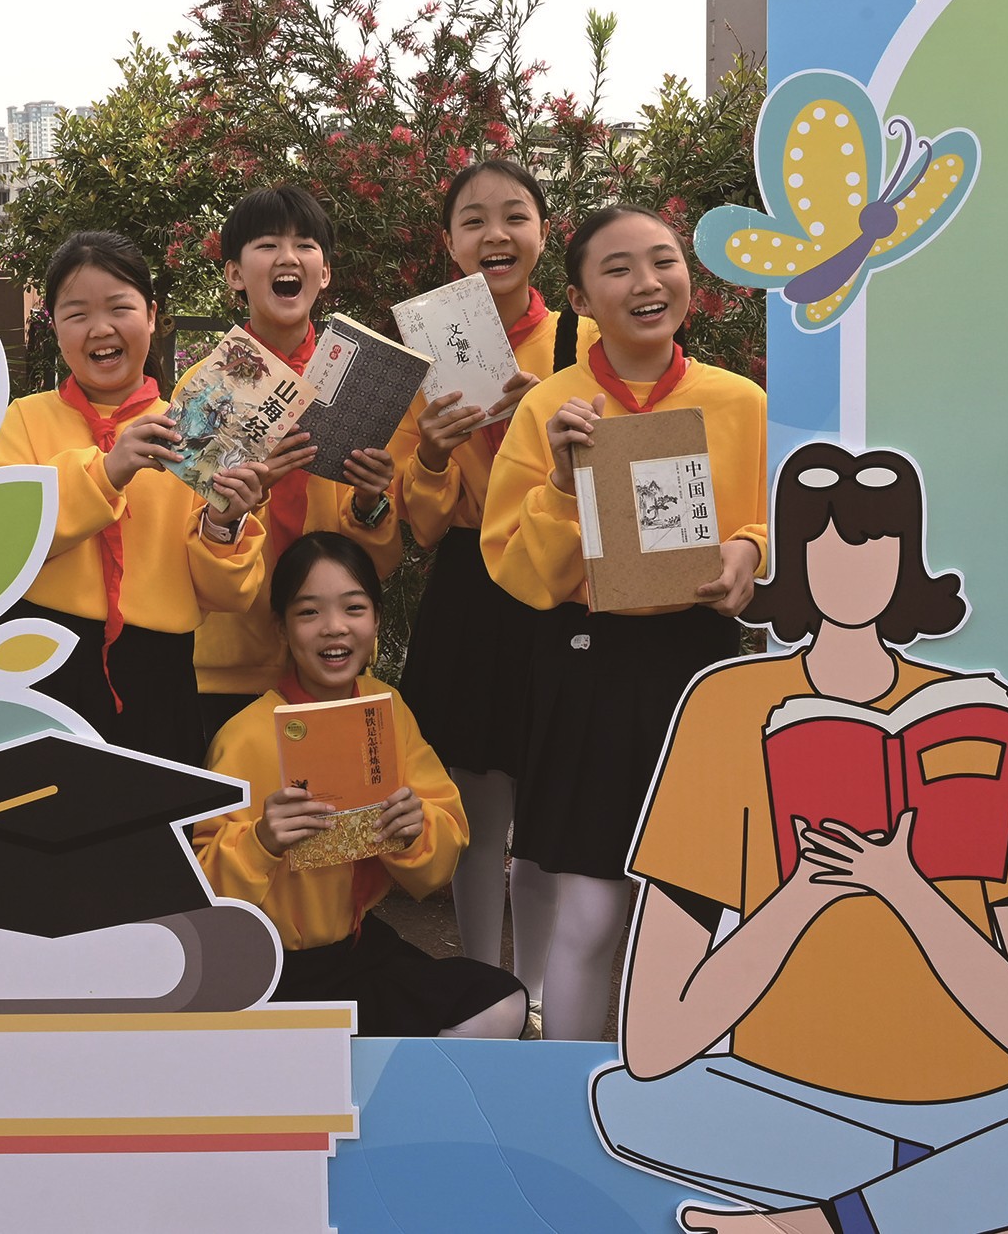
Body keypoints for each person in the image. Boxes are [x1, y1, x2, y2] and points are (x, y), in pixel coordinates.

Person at [592, 443, 1008, 1234]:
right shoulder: (725, 705)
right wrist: (801, 895)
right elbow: (653, 1043)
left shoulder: (970, 723)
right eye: (823, 545)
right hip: (780, 1091)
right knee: (627, 1099)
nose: (849, 566)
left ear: (906, 559)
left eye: (874, 544)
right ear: (792, 559)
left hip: (974, 1101)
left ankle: (816, 1225)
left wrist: (904, 888)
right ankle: (956, 1199)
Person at [481, 206, 768, 1043]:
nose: (647, 283)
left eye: (663, 261)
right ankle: (563, 1084)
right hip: (587, 666)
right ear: (579, 299)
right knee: (590, 909)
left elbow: (770, 521)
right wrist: (561, 484)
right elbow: (518, 574)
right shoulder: (552, 407)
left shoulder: (739, 402)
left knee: (700, 903)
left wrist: (751, 551)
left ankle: (684, 1077)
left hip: (698, 665)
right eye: (617, 269)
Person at [195, 533, 528, 1039]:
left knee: (502, 1004)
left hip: (354, 950)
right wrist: (260, 841)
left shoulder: (386, 708)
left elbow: (444, 840)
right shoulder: (243, 736)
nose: (334, 627)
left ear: (376, 619)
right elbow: (200, 891)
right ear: (282, 628)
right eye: (309, 612)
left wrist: (414, 829)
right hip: (265, 967)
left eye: (354, 608)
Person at [384, 157, 583, 1001]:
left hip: (560, 582)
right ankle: (483, 982)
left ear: (542, 232)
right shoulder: (421, 353)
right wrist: (433, 454)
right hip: (471, 585)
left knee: (547, 804)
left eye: (513, 216)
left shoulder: (583, 342)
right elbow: (421, 523)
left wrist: (550, 426)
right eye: (473, 220)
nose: (494, 234)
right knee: (473, 801)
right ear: (449, 244)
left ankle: (534, 991)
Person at [0, 231, 268, 768]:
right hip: (40, 658)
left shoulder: (194, 430)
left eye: (120, 308)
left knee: (158, 817)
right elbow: (0, 543)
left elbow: (226, 596)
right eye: (77, 314)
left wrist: (225, 525)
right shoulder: (24, 418)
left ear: (152, 315)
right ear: (54, 326)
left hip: (158, 676)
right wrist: (107, 471)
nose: (101, 329)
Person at [187, 185, 402, 747]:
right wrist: (237, 504)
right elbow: (185, 542)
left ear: (324, 273)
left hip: (330, 663)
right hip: (229, 667)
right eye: (267, 245)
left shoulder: (358, 380)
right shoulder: (206, 388)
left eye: (305, 245)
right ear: (235, 275)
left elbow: (378, 565)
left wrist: (370, 503)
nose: (288, 257)